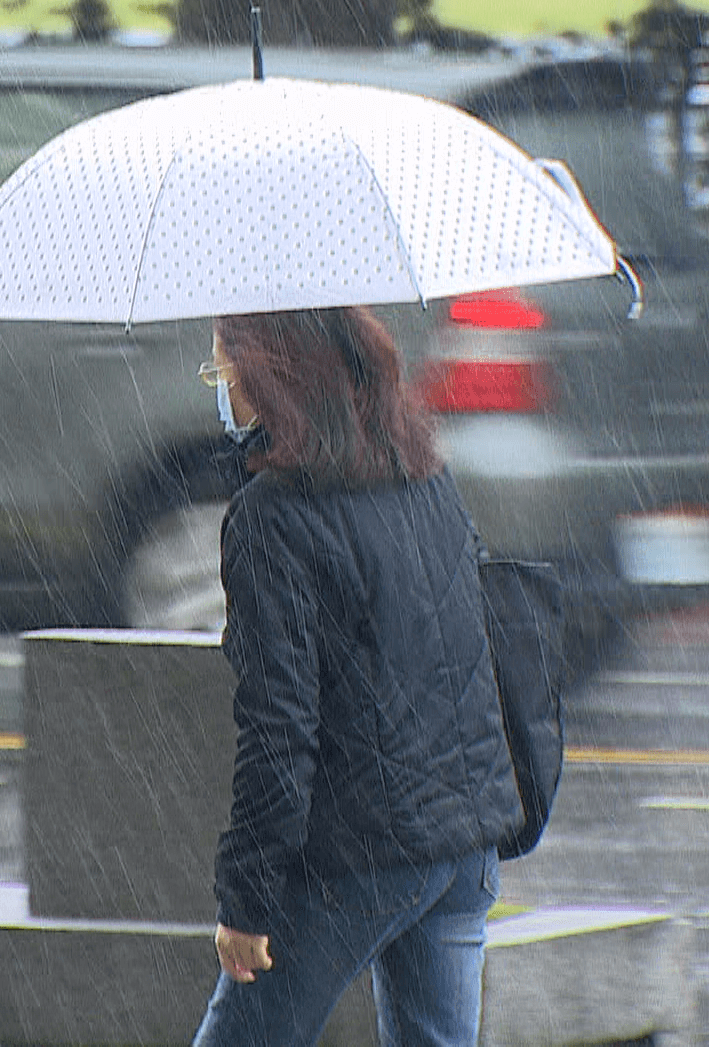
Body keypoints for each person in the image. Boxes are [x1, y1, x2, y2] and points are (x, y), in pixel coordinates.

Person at [191, 305, 522, 1047]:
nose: (221, 387)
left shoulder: (271, 520)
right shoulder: (425, 478)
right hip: (463, 841)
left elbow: (279, 729)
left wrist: (247, 904)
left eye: (223, 366)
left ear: (273, 378)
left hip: (359, 856)